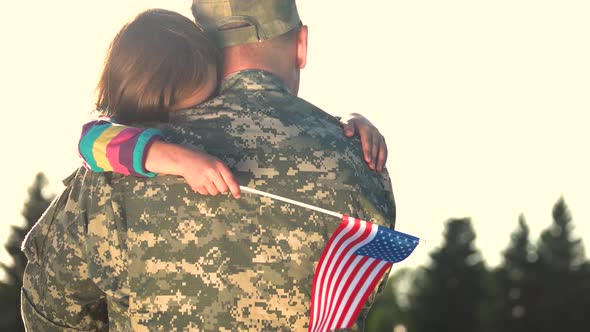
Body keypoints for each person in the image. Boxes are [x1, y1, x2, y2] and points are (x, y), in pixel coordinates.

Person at [21, 2, 396, 331]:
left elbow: (50, 308)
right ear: (302, 45)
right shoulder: (362, 156)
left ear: (204, 45)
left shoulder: (119, 167)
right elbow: (363, 292)